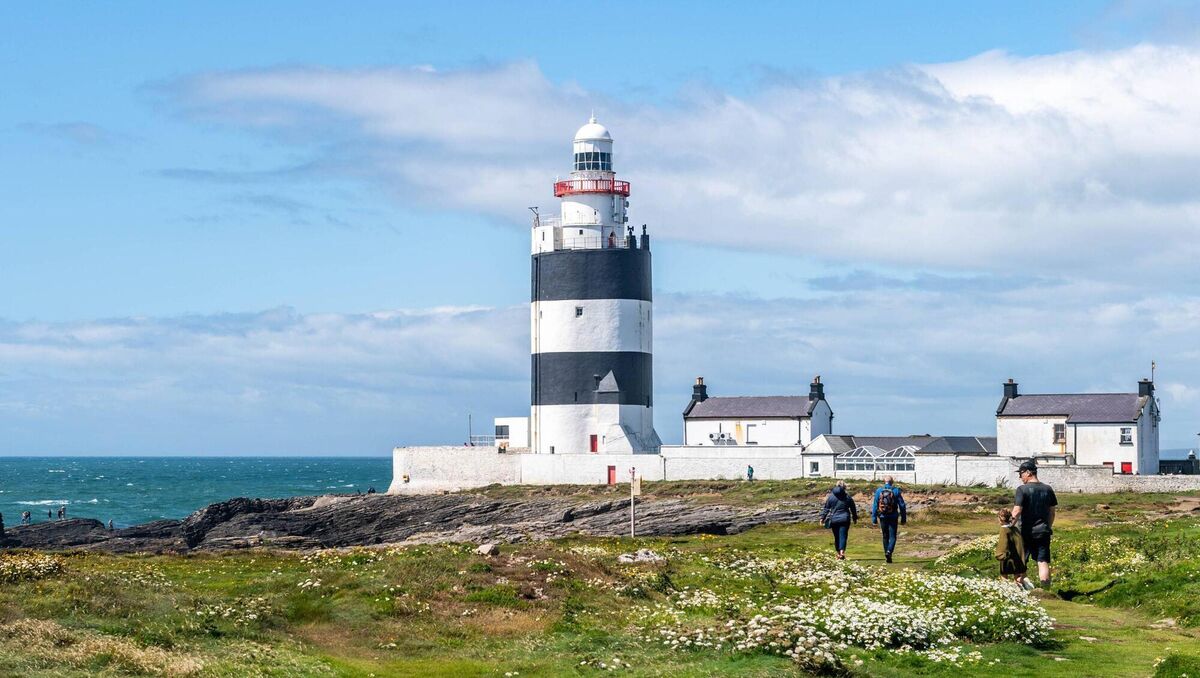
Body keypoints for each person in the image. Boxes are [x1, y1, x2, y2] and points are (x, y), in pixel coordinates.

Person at [1012, 460, 1057, 588]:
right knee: (1042, 561)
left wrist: (1008, 527)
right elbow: (1052, 512)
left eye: (1021, 473)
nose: (1020, 477)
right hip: (1043, 531)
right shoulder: (1048, 489)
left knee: (1021, 561)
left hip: (1025, 531)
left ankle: (1020, 588)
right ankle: (1046, 590)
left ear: (1028, 472)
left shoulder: (1022, 490)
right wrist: (1047, 526)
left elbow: (1016, 511)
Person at [871, 476, 907, 563]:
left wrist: (874, 518)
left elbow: (875, 505)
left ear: (884, 481)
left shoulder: (879, 491)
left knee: (885, 536)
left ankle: (886, 554)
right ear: (892, 482)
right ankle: (889, 552)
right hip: (893, 516)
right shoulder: (896, 490)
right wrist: (903, 518)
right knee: (893, 536)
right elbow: (902, 505)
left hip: (883, 516)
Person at [995, 508, 1033, 590]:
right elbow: (1019, 543)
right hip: (1017, 558)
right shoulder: (1015, 529)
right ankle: (1020, 590)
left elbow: (1003, 543)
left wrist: (999, 555)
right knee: (1017, 576)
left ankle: (1006, 591)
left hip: (1006, 557)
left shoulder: (1004, 530)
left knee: (1004, 576)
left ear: (1000, 519)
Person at [819, 480, 858, 560]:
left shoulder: (831, 497)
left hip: (834, 519)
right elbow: (853, 508)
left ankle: (838, 553)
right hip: (845, 518)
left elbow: (826, 508)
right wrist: (854, 518)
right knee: (843, 536)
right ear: (844, 487)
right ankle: (842, 552)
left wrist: (822, 518)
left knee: (837, 537)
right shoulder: (847, 497)